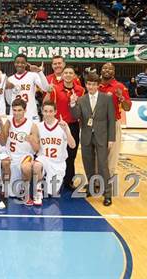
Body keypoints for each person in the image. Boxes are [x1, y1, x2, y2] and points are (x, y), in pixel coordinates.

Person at [70, 73, 116, 206]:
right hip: (86, 136)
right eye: (89, 84)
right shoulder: (81, 99)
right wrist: (73, 103)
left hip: (102, 136)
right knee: (88, 164)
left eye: (94, 84)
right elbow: (76, 115)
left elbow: (111, 119)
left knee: (103, 165)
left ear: (98, 85)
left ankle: (107, 193)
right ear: (86, 85)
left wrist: (111, 138)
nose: (91, 86)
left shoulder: (106, 99)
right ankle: (91, 188)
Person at [44, 66, 85, 191]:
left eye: (70, 73)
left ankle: (69, 181)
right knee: (55, 153)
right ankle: (51, 179)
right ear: (62, 75)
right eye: (65, 73)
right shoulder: (55, 89)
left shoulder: (81, 90)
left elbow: (82, 109)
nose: (67, 75)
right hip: (57, 125)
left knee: (71, 154)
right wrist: (48, 92)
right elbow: (45, 104)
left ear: (74, 76)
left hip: (72, 125)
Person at [33, 101, 76, 206]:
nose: (48, 114)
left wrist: (66, 130)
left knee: (52, 194)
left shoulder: (62, 125)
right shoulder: (38, 126)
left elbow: (73, 145)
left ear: (55, 112)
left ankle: (50, 182)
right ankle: (38, 191)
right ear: (42, 112)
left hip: (58, 162)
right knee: (36, 165)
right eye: (46, 111)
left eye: (51, 111)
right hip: (44, 159)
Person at [3, 98, 39, 205]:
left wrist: (31, 140)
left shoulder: (32, 125)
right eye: (14, 110)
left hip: (25, 156)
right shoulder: (9, 121)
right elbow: (2, 140)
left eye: (19, 110)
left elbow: (37, 149)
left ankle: (26, 192)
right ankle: (3, 186)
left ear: (25, 110)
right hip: (11, 155)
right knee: (11, 193)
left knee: (26, 167)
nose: (16, 113)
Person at [99, 63, 132, 179]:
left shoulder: (120, 86)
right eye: (105, 68)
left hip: (113, 123)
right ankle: (96, 182)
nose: (107, 70)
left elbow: (127, 108)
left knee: (112, 156)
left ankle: (107, 182)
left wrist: (121, 98)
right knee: (97, 155)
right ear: (101, 70)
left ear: (114, 72)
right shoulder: (95, 85)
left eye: (110, 69)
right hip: (98, 124)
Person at [5, 54, 50, 121]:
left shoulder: (33, 75)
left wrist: (39, 71)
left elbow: (46, 88)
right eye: (17, 62)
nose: (20, 64)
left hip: (31, 114)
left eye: (22, 63)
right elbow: (9, 101)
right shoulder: (10, 79)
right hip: (16, 115)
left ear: (26, 64)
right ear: (14, 64)